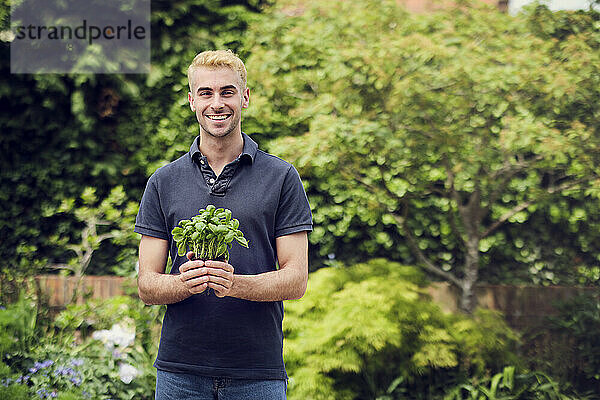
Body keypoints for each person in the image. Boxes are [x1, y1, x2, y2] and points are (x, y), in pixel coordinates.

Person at [134, 49, 313, 400]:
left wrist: (233, 284)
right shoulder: (163, 181)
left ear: (244, 97)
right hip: (179, 373)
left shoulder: (281, 177)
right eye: (206, 93)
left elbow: (296, 279)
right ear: (191, 101)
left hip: (257, 373)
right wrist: (189, 283)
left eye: (227, 92)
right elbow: (147, 285)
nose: (217, 103)